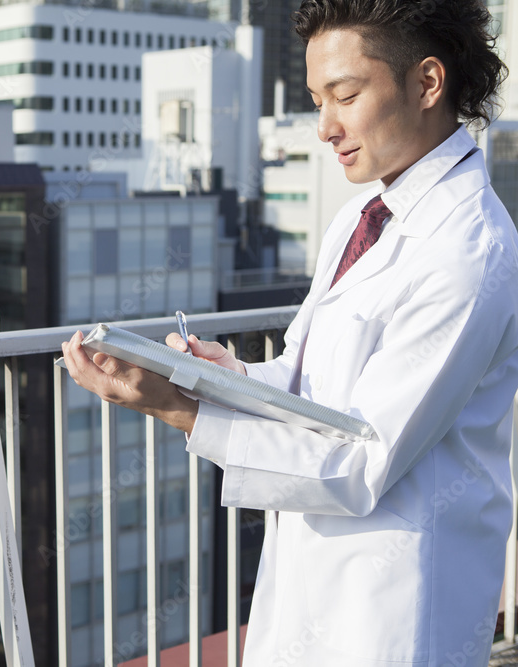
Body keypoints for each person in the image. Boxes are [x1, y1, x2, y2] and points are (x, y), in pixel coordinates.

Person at [63, 0, 518, 664]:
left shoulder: (466, 248)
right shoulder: (366, 215)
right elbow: (305, 382)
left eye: (347, 95)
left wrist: (179, 407)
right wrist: (229, 375)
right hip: (313, 583)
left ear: (426, 83)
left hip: (397, 609)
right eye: (316, 100)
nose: (325, 128)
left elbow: (362, 458)